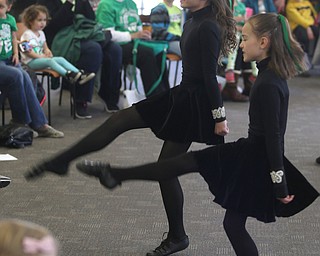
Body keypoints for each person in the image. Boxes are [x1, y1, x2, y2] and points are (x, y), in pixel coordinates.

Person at [75, 13, 320, 256]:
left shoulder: (267, 84)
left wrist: (279, 182)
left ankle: (115, 175)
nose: (241, 44)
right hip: (253, 153)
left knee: (203, 191)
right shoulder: (269, 78)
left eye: (245, 38)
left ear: (264, 43)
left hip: (255, 158)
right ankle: (115, 175)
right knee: (226, 217)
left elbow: (275, 137)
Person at [24, 0, 237, 255]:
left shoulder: (208, 26)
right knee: (123, 125)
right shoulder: (192, 20)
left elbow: (208, 76)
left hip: (194, 104)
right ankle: (62, 161)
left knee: (164, 167)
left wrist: (219, 116)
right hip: (182, 96)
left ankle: (178, 236)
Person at [0, 0, 64, 138]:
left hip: (6, 59)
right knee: (17, 75)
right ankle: (21, 122)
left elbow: (11, 38)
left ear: (9, 7)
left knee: (24, 74)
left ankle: (39, 124)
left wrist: (16, 51)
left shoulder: (9, 20)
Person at [95, 0, 171, 97]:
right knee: (146, 54)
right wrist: (132, 35)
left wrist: (144, 35)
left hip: (134, 41)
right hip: (116, 44)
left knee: (160, 51)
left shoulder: (131, 3)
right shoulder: (106, 4)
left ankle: (166, 96)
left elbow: (138, 27)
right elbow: (107, 34)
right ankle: (155, 99)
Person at [20, 4, 96, 86]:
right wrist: (41, 57)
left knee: (60, 59)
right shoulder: (27, 34)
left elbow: (45, 46)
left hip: (40, 59)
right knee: (50, 61)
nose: (43, 23)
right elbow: (27, 51)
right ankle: (68, 75)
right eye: (39, 20)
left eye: (44, 20)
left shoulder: (41, 33)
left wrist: (47, 51)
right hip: (30, 62)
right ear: (30, 21)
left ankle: (79, 74)